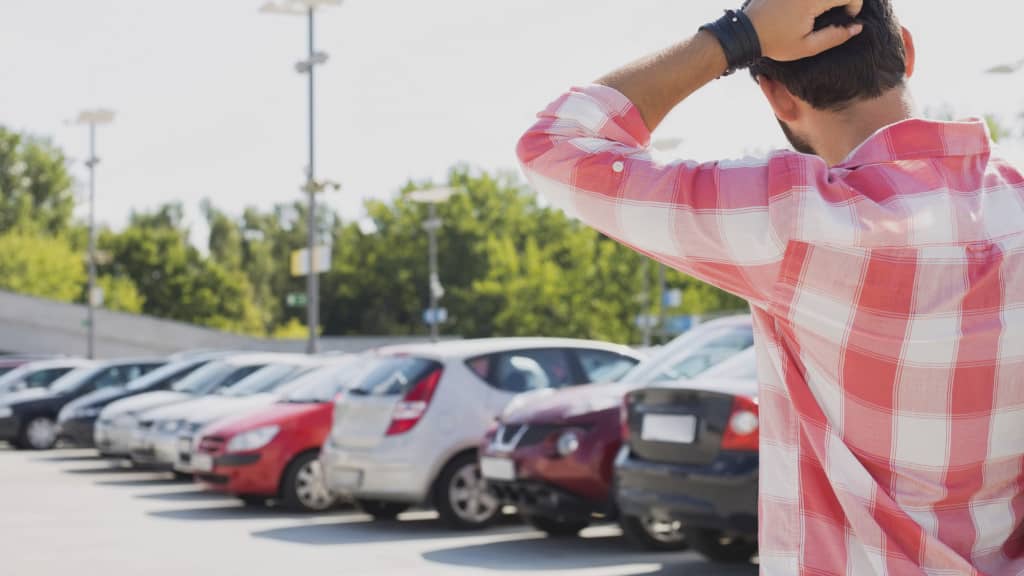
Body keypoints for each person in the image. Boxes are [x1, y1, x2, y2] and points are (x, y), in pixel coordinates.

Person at [516, 0, 1024, 574]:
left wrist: (736, 36)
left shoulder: (791, 220)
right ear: (906, 49)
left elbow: (557, 143)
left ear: (778, 96)